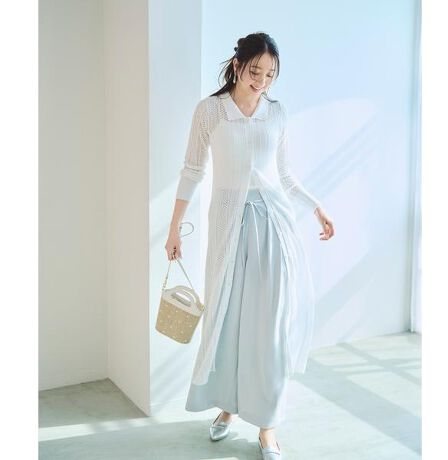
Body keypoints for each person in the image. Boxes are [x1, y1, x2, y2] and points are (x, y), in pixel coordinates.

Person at [165, 32, 334, 459]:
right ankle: (227, 407)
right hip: (227, 227)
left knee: (270, 326)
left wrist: (316, 207)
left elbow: (285, 175)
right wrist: (174, 227)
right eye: (255, 71)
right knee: (227, 320)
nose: (262, 81)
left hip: (272, 225)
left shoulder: (276, 113)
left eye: (270, 74)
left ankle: (268, 428)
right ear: (237, 65)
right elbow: (192, 169)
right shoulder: (210, 111)